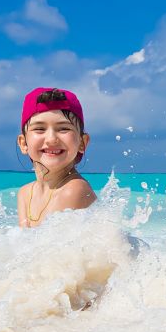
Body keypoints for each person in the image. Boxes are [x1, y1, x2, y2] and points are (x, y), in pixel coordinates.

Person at [17, 87, 96, 227]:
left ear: (82, 143)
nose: (51, 139)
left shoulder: (74, 190)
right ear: (23, 143)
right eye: (40, 129)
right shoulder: (25, 193)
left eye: (63, 128)